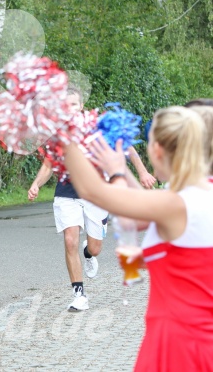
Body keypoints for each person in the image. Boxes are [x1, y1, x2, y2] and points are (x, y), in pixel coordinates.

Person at [63, 106, 213, 371]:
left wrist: (65, 131)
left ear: (156, 151)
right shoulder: (198, 194)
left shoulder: (177, 203)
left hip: (181, 346)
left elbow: (93, 191)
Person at [28, 87, 108, 311]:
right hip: (66, 191)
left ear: (81, 106)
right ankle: (79, 294)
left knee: (95, 248)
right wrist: (36, 184)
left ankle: (88, 253)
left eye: (73, 105)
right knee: (70, 239)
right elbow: (48, 165)